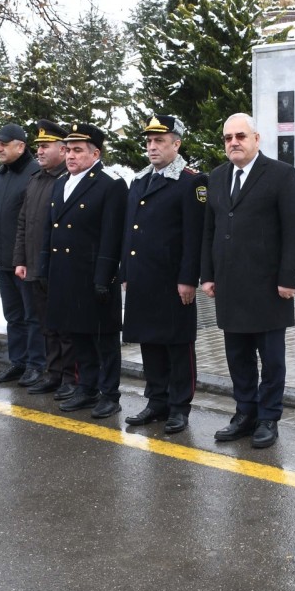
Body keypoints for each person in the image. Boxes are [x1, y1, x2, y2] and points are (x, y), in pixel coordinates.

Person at [200, 112, 295, 449]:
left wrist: (288, 277)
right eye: (228, 137)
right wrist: (207, 275)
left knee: (271, 359)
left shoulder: (280, 175)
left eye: (240, 136)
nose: (234, 143)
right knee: (237, 356)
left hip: (268, 285)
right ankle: (245, 413)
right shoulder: (216, 177)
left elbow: (294, 229)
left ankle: (268, 417)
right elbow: (209, 231)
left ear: (256, 139)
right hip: (230, 285)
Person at [120, 115, 207, 434]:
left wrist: (188, 278)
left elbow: (193, 236)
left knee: (177, 344)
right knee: (149, 341)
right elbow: (130, 230)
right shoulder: (140, 180)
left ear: (177, 144)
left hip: (172, 280)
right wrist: (126, 271)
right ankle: (156, 399)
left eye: (160, 141)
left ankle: (179, 406)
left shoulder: (191, 181)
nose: (152, 146)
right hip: (143, 277)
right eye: (149, 141)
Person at [40, 123, 127, 417]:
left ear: (95, 153)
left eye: (78, 150)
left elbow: (111, 235)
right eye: (68, 150)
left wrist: (104, 277)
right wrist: (44, 269)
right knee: (78, 335)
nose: (70, 156)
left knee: (103, 338)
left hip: (93, 275)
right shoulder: (61, 183)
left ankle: (110, 394)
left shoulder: (109, 184)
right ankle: (87, 387)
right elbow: (50, 231)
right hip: (66, 274)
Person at [13, 120, 77, 396]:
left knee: (64, 327)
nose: (38, 151)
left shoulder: (66, 181)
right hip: (34, 266)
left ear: (63, 150)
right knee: (46, 325)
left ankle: (69, 377)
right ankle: (53, 373)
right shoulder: (36, 180)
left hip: (58, 267)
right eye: (38, 146)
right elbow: (24, 223)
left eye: (45, 146)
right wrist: (21, 260)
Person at [0, 123, 44, 385]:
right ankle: (18, 361)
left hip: (25, 259)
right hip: (2, 257)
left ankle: (36, 364)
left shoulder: (35, 174)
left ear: (20, 146)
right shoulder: (0, 175)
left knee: (32, 315)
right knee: (13, 315)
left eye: (4, 144)